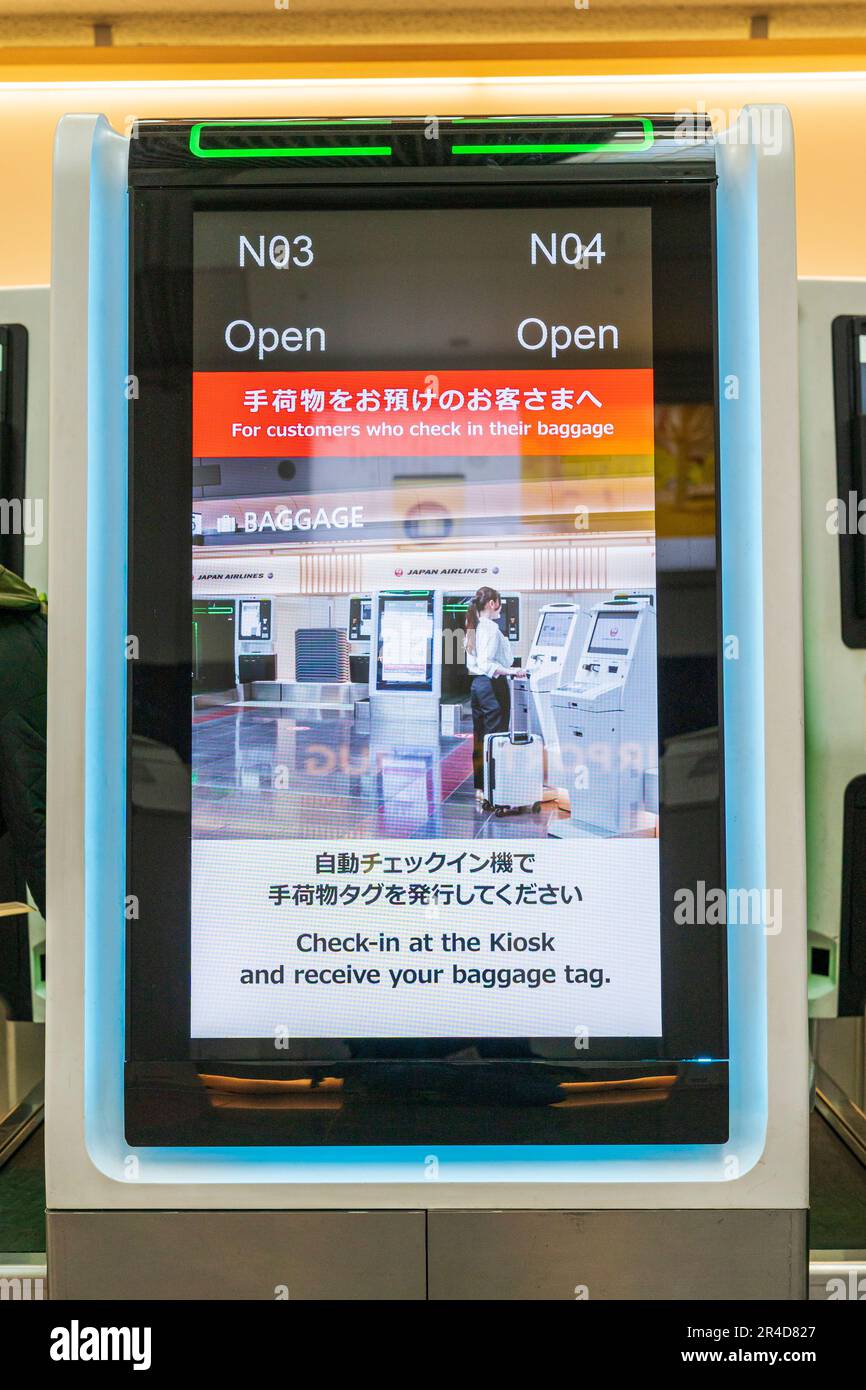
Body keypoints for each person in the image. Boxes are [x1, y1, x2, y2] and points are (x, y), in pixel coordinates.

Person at [464, 586, 525, 805]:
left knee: (481, 738)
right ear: (492, 603)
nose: (500, 605)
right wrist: (513, 671)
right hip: (492, 686)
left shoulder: (474, 626)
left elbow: (476, 663)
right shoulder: (489, 627)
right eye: (499, 601)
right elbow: (487, 663)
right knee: (495, 739)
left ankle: (481, 787)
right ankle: (495, 789)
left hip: (477, 686)